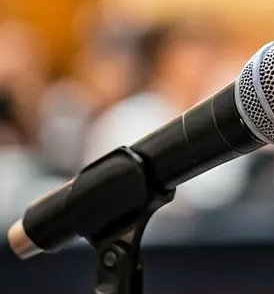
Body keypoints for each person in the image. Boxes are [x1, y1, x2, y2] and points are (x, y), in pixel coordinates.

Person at [84, 19, 252, 210]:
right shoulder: (127, 118)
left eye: (208, 59)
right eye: (191, 59)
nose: (199, 69)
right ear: (167, 60)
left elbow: (225, 186)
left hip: (212, 221)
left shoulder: (223, 120)